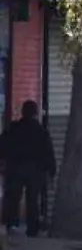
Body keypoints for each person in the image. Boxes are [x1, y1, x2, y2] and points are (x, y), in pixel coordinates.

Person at [0, 100, 56, 238]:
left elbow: (3, 145)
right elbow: (48, 152)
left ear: (23, 112)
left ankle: (10, 223)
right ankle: (33, 228)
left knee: (13, 197)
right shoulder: (41, 131)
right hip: (35, 170)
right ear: (36, 113)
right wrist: (51, 171)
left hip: (16, 168)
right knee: (33, 200)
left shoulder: (14, 128)